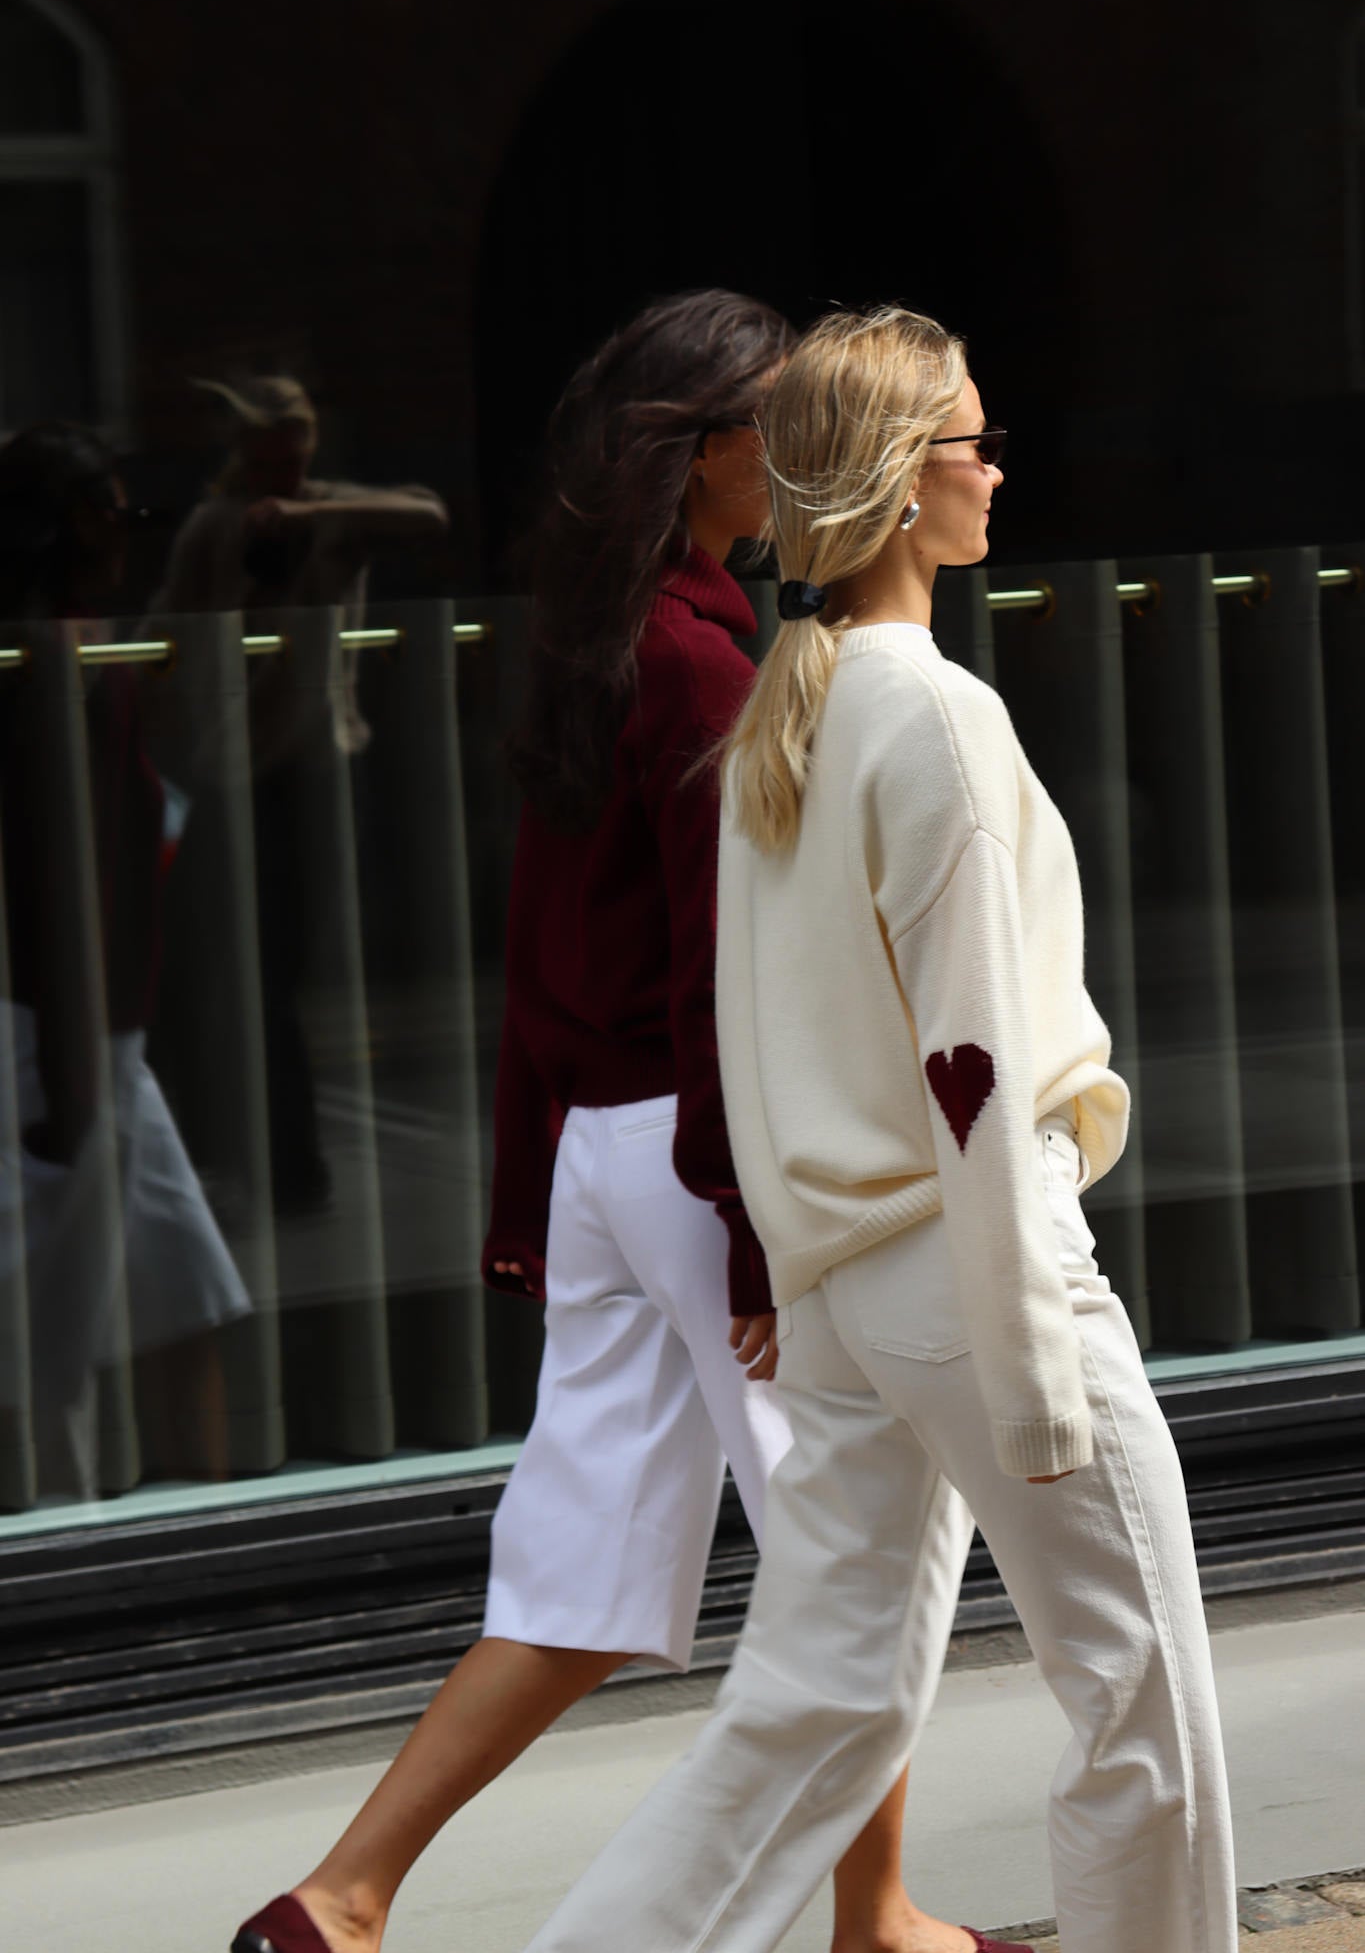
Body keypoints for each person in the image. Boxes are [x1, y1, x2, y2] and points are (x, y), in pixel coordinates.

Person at [231, 292, 977, 1953]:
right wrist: (763, 1237)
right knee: (851, 1552)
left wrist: (540, 1189)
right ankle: (875, 1924)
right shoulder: (705, 666)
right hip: (697, 1166)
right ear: (703, 452)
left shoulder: (604, 640)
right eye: (777, 424)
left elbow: (550, 959)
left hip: (602, 1157)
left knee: (583, 1574)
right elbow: (727, 988)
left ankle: (335, 1902)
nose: (805, 453)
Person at [514, 306, 1240, 1953]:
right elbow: (971, 1063)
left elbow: (755, 1027)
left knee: (810, 1704)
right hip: (978, 1264)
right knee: (1143, 1699)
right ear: (909, 481)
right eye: (977, 441)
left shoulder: (793, 701)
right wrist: (1034, 1357)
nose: (998, 470)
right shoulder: (927, 712)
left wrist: (795, 1262)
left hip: (850, 1284)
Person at [0, 423, 251, 1498]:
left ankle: (208, 1535)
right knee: (52, 1331)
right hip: (53, 1030)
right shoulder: (41, 660)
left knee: (181, 1295)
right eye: (113, 509)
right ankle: (57, 1533)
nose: (126, 531)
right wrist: (68, 1073)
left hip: (98, 1028)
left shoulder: (82, 648)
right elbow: (53, 868)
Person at [157, 377, 449, 1214]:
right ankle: (261, 1160)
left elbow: (428, 515)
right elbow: (168, 619)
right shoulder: (214, 524)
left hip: (312, 772)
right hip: (230, 770)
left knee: (275, 976)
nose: (280, 476)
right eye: (266, 461)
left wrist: (305, 515)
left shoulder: (329, 513)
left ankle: (285, 1166)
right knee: (234, 976)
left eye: (293, 457)